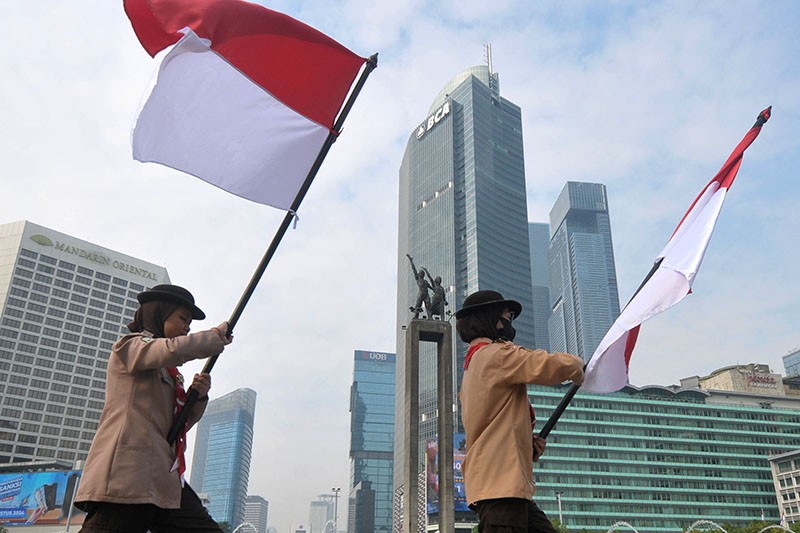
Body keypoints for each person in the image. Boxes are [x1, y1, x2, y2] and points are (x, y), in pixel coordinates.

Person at [75, 284, 233, 533]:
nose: (187, 327)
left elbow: (180, 424)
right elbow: (171, 349)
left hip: (164, 476)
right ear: (159, 313)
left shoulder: (171, 373)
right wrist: (213, 337)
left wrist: (198, 397)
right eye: (183, 318)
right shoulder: (130, 347)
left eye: (189, 322)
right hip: (129, 475)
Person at [456, 289, 584, 533]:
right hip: (501, 490)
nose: (509, 321)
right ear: (487, 317)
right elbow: (547, 366)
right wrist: (579, 366)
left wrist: (526, 444)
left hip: (506, 488)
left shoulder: (473, 365)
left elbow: (494, 427)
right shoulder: (496, 354)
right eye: (505, 316)